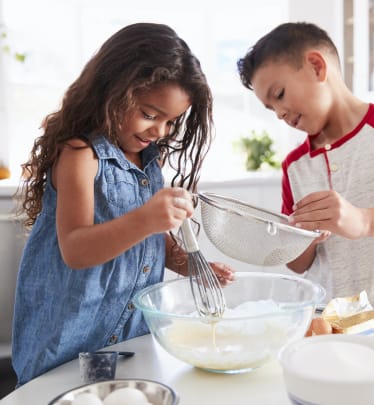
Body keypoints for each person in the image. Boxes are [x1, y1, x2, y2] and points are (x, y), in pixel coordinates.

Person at [11, 22, 234, 386]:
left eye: (170, 122)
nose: (159, 131)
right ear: (111, 92)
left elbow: (146, 243)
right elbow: (76, 249)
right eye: (149, 114)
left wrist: (186, 262)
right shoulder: (81, 156)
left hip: (129, 337)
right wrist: (148, 218)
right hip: (68, 341)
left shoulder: (150, 161)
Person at [237, 22, 374, 311]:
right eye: (270, 108)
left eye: (279, 94)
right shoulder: (295, 166)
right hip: (325, 321)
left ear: (316, 67)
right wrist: (304, 235)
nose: (280, 113)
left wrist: (363, 221)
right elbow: (297, 264)